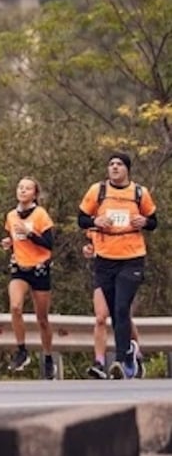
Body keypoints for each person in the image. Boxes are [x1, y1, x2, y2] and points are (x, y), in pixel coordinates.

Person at [77, 152, 157, 380]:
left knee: (122, 307)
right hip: (104, 258)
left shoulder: (139, 193)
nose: (114, 167)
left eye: (119, 164)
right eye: (111, 164)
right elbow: (81, 218)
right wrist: (95, 221)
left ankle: (122, 360)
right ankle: (130, 353)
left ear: (127, 169)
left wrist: (145, 222)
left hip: (132, 257)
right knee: (114, 312)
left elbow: (153, 221)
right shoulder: (98, 191)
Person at [0, 176, 56, 380]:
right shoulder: (11, 215)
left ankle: (48, 357)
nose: (22, 191)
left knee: (42, 319)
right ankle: (21, 350)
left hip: (40, 268)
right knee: (15, 307)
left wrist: (30, 233)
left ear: (35, 193)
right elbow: (14, 239)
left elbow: (49, 243)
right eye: (20, 187)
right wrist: (9, 243)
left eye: (27, 188)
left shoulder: (40, 215)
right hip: (20, 267)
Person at [81, 229, 145, 379]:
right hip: (102, 271)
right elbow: (92, 242)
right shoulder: (93, 219)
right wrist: (88, 249)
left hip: (123, 267)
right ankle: (99, 362)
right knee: (100, 317)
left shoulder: (123, 210)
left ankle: (134, 352)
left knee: (122, 313)